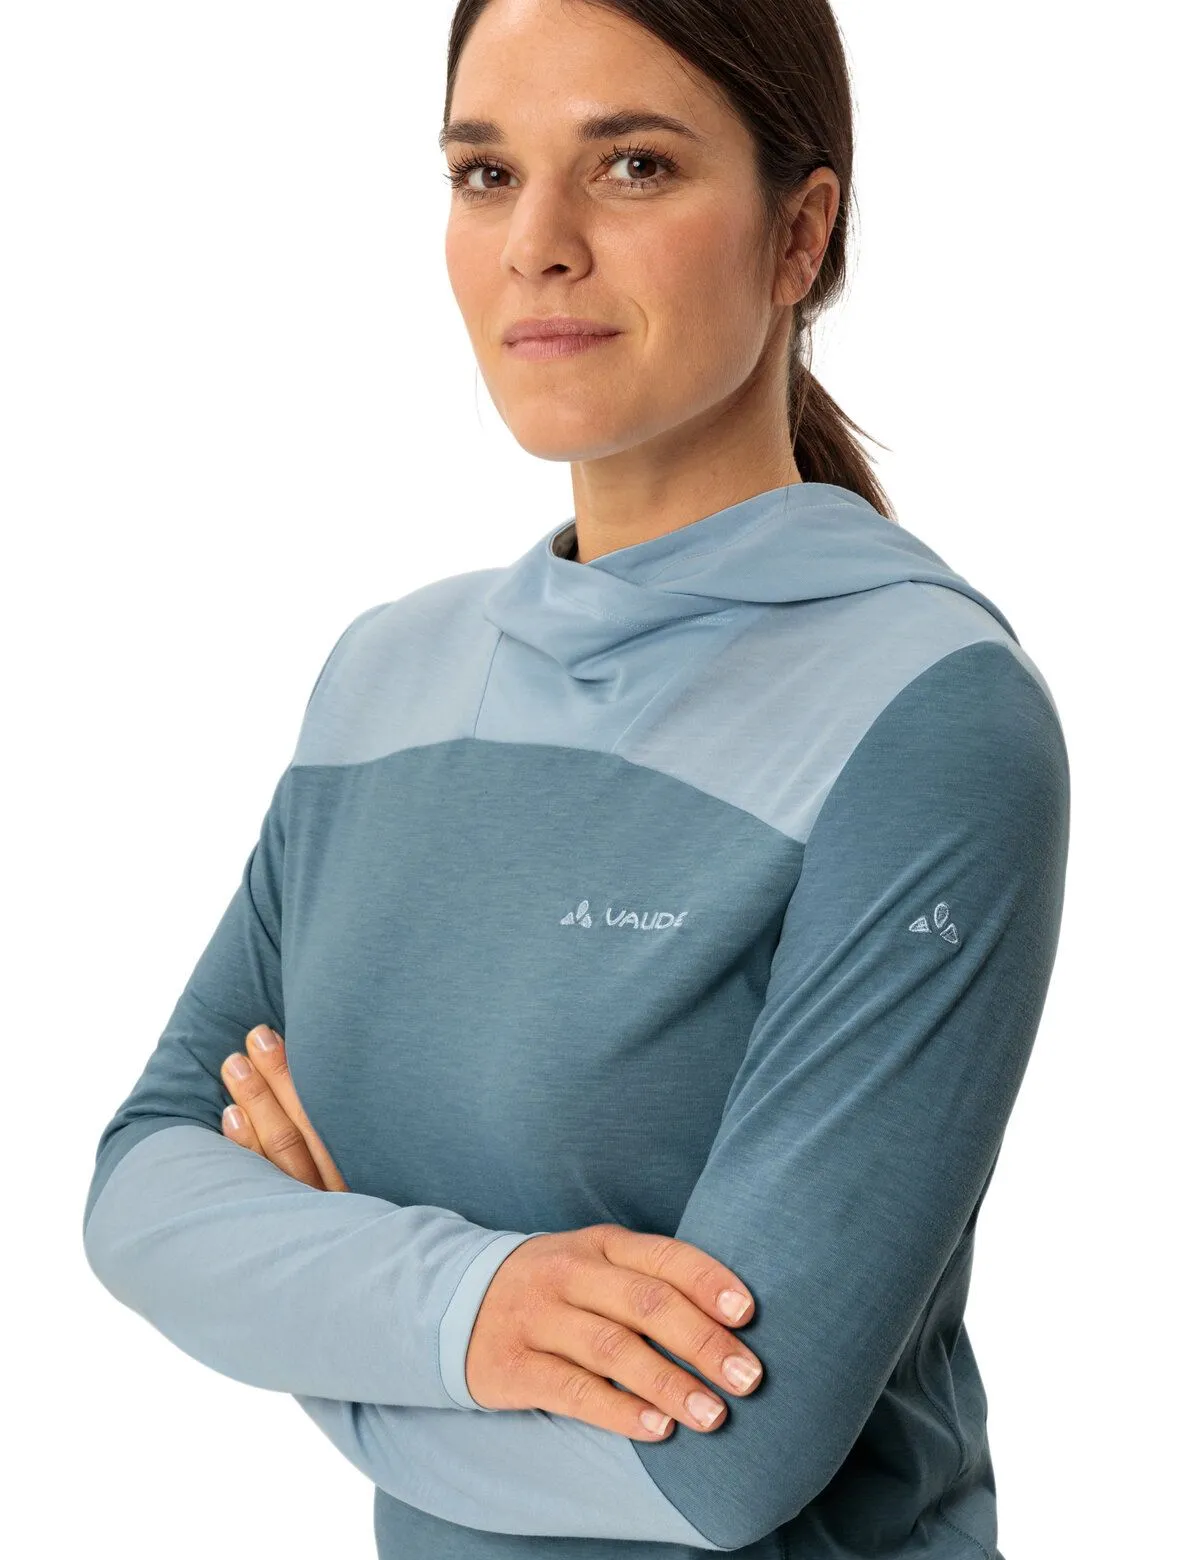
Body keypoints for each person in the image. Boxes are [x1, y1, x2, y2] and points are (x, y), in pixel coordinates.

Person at [81, 2, 1070, 1557]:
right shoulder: (382, 680)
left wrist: (314, 1301)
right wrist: (470, 1308)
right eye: (486, 173)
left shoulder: (929, 715)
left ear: (800, 235)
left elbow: (719, 1464)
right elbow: (140, 1190)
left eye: (632, 165)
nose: (537, 245)